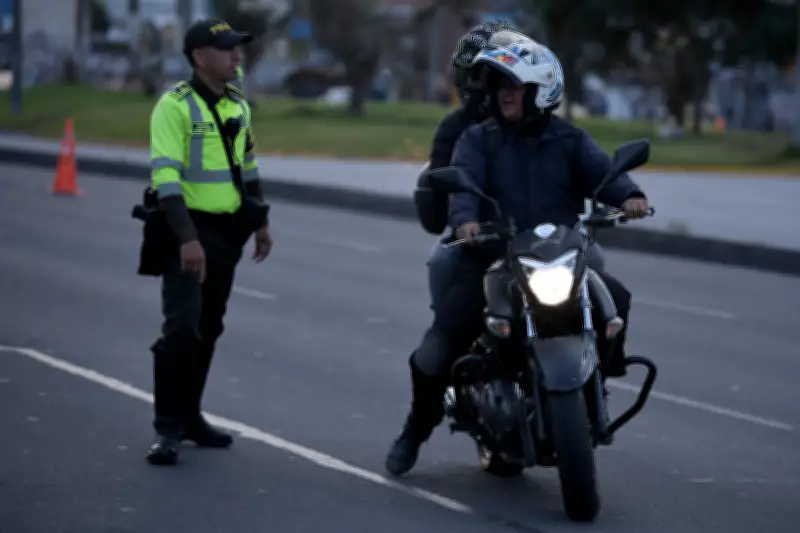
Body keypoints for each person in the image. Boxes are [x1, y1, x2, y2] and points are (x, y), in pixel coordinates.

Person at [385, 33, 649, 477]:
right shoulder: (477, 139)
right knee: (435, 350)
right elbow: (463, 180)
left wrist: (630, 196)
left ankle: (593, 382)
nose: (503, 92)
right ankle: (416, 428)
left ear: (539, 89)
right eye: (498, 84)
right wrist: (465, 220)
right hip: (493, 262)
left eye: (513, 84)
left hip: (558, 258)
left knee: (617, 300)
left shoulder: (570, 140)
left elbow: (604, 174)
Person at [145, 18, 273, 466]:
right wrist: (187, 238)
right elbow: (166, 178)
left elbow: (248, 166)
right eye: (227, 48)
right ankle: (167, 430)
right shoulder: (173, 106)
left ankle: (191, 416)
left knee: (209, 328)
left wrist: (261, 220)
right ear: (200, 57)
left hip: (227, 233)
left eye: (238, 48)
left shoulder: (238, 103)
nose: (237, 55)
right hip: (186, 231)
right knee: (181, 329)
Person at [414, 19, 519, 311]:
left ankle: (598, 342)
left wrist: (618, 197)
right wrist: (463, 219)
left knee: (594, 258)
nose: (486, 86)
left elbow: (581, 167)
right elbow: (444, 183)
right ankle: (445, 331)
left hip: (540, 233)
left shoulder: (542, 125)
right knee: (441, 262)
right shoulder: (458, 129)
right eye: (477, 76)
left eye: (501, 77)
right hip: (477, 235)